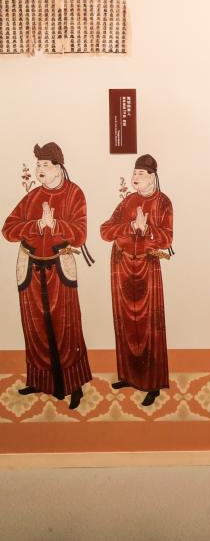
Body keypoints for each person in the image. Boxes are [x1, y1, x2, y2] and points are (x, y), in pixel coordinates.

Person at [3, 142, 93, 410]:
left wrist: (55, 225)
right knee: (35, 327)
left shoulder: (74, 193)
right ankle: (39, 381)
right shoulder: (33, 196)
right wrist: (35, 225)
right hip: (30, 268)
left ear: (58, 167)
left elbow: (80, 234)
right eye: (38, 165)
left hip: (59, 268)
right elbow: (8, 229)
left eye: (44, 164)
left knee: (67, 327)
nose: (39, 169)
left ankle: (74, 385)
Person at [100, 154, 173, 407]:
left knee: (148, 323)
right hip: (121, 265)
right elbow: (105, 230)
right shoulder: (128, 201)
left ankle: (152, 383)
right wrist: (130, 227)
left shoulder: (163, 202)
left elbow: (167, 238)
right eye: (134, 173)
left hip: (147, 266)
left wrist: (147, 230)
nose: (135, 178)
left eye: (141, 174)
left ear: (153, 177)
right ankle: (128, 376)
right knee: (126, 321)